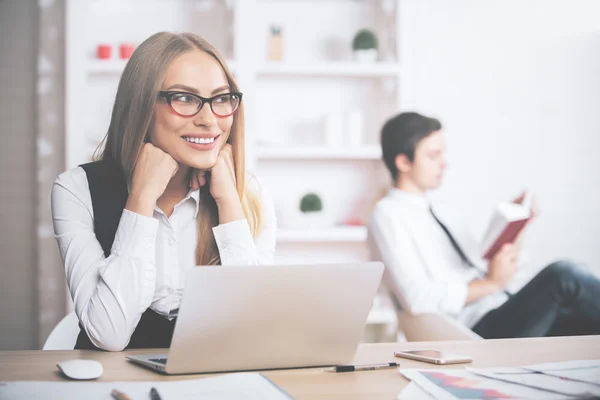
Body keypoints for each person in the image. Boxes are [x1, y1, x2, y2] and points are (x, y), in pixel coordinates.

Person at [51, 32, 276, 351]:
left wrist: (228, 203)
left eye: (221, 98)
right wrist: (141, 200)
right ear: (140, 105)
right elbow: (108, 335)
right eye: (184, 98)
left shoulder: (249, 193)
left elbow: (254, 332)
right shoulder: (76, 190)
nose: (209, 120)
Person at [368, 111, 600, 339]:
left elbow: (485, 266)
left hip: (503, 306)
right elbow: (418, 298)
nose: (444, 163)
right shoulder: (387, 216)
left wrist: (515, 227)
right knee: (564, 276)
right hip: (473, 329)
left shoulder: (443, 211)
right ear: (403, 162)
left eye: (443, 153)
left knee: (584, 315)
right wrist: (492, 283)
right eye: (433, 155)